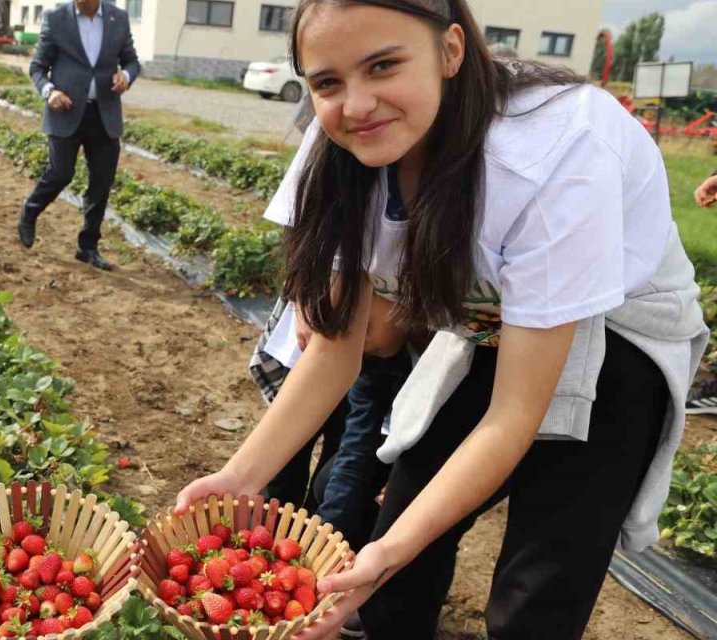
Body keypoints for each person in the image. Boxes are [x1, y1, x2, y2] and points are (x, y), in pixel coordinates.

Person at [175, 1, 708, 639]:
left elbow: (514, 413)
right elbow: (334, 351)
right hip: (489, 324)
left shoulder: (552, 157)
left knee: (538, 587)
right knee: (397, 549)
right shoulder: (344, 142)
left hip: (619, 339)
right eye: (328, 82)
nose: (358, 102)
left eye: (384, 65)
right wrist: (240, 476)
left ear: (451, 51)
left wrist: (388, 555)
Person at [17, 0, 139, 271]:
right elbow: (38, 67)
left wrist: (127, 76)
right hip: (66, 110)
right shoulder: (56, 18)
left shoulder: (117, 18)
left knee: (101, 181)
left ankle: (88, 246)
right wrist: (50, 92)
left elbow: (131, 60)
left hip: (104, 113)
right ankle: (30, 211)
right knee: (61, 173)